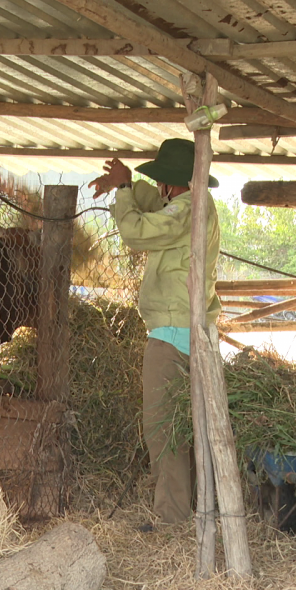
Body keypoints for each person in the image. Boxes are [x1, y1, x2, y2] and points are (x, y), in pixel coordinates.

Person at [88, 138, 221, 528]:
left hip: (172, 334)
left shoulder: (185, 211)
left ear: (169, 181)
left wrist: (125, 190)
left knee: (163, 427)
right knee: (181, 426)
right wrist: (127, 187)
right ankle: (183, 508)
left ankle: (172, 518)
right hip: (186, 330)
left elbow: (137, 231)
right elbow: (159, 207)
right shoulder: (189, 207)